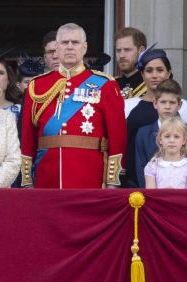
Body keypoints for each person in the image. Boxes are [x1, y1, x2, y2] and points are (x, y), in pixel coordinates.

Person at [20, 23, 126, 189]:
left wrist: (112, 180)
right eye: (64, 43)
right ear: (57, 48)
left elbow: (117, 136)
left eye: (75, 43)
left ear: (84, 48)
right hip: (46, 176)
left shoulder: (105, 84)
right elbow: (27, 137)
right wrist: (27, 180)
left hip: (89, 176)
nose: (70, 47)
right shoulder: (37, 86)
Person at [124, 46, 187, 187]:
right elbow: (137, 161)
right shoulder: (132, 111)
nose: (155, 75)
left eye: (160, 70)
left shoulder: (185, 113)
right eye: (149, 71)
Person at [134, 79, 187, 187]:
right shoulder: (143, 133)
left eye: (172, 102)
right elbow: (140, 168)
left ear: (179, 105)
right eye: (163, 102)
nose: (167, 106)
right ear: (155, 103)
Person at [143, 117, 187, 189]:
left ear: (184, 140)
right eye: (167, 136)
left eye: (176, 137)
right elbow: (151, 194)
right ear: (160, 140)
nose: (171, 140)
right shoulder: (152, 166)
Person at [114, 27, 147, 99]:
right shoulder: (111, 85)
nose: (121, 55)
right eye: (118, 50)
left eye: (127, 50)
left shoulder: (152, 85)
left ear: (141, 51)